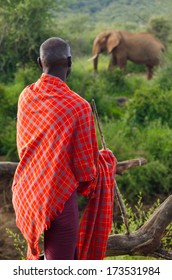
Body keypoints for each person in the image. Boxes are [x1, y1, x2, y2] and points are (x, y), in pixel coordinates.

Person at [12, 37, 116, 260]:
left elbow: (24, 149)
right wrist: (105, 161)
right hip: (59, 198)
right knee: (61, 267)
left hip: (27, 194)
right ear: (69, 62)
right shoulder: (78, 106)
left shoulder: (26, 97)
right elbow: (85, 170)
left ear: (40, 63)